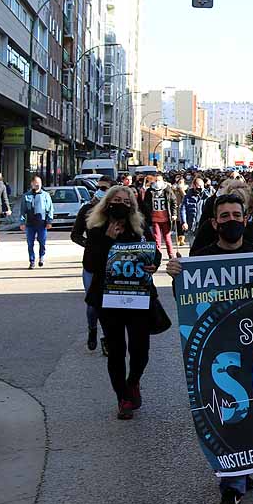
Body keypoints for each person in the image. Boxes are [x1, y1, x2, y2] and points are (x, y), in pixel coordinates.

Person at [166, 193, 253, 504]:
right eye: (225, 216)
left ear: (246, 219)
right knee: (228, 417)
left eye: (237, 215)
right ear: (214, 223)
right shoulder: (202, 257)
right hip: (221, 355)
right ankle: (231, 488)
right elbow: (188, 303)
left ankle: (244, 468)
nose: (232, 221)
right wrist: (178, 275)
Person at [81, 185, 161, 420]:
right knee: (116, 351)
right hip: (108, 299)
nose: (121, 205)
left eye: (127, 202)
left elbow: (153, 252)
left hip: (138, 297)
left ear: (133, 206)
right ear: (107, 203)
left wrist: (153, 264)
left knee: (140, 350)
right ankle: (123, 398)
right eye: (116, 200)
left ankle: (133, 381)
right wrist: (108, 239)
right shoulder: (96, 229)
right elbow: (91, 264)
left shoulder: (139, 227)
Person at [72, 176, 115, 353]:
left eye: (105, 188)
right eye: (99, 188)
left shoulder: (116, 211)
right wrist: (88, 245)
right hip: (90, 264)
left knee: (108, 305)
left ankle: (107, 339)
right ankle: (92, 330)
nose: (101, 191)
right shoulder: (86, 210)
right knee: (93, 305)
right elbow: (75, 235)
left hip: (111, 265)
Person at [140, 175, 179, 259]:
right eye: (156, 180)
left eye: (159, 180)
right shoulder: (150, 190)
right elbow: (146, 204)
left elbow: (173, 202)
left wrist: (174, 214)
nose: (157, 182)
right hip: (155, 219)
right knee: (157, 238)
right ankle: (158, 255)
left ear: (163, 181)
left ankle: (171, 254)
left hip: (166, 218)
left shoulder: (167, 189)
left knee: (167, 237)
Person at [20, 175, 54, 269]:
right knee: (30, 243)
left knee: (42, 242)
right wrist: (22, 222)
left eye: (39, 183)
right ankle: (32, 261)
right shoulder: (26, 196)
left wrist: (49, 221)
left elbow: (50, 209)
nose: (37, 185)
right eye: (36, 183)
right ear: (32, 184)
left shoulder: (45, 195)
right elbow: (23, 210)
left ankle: (41, 257)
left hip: (42, 223)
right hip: (30, 224)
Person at [181, 179, 208, 246]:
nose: (200, 189)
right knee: (193, 245)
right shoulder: (187, 196)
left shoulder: (206, 196)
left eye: (201, 186)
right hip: (191, 225)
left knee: (203, 245)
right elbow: (183, 209)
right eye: (198, 187)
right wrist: (184, 222)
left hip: (202, 224)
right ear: (194, 186)